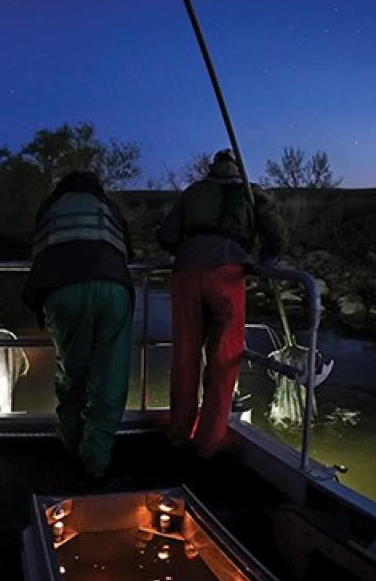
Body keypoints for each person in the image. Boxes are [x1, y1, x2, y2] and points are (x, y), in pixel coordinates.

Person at [159, 149, 283, 458]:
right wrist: (266, 259)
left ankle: (178, 433)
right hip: (228, 275)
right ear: (237, 168)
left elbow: (167, 235)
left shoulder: (193, 193)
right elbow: (277, 235)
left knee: (186, 355)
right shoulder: (251, 194)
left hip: (187, 274)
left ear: (212, 168)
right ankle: (208, 443)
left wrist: (190, 247)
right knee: (225, 360)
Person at [22, 171, 134, 479]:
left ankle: (71, 445)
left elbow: (39, 251)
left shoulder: (49, 207)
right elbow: (129, 249)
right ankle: (96, 459)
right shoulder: (106, 206)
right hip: (113, 287)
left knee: (72, 372)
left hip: (62, 289)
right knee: (110, 374)